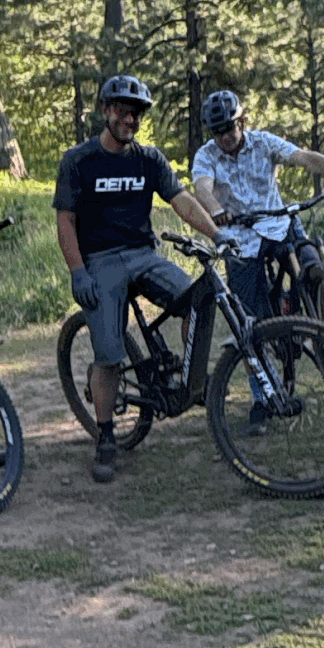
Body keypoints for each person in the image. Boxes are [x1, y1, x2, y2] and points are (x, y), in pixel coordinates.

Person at [53, 74, 223, 482]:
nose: (130, 120)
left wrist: (218, 235)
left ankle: (191, 382)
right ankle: (107, 437)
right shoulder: (79, 160)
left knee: (199, 299)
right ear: (106, 111)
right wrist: (78, 271)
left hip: (143, 255)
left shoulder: (149, 159)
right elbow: (65, 221)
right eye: (123, 111)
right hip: (100, 262)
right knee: (110, 353)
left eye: (137, 114)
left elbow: (181, 200)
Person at [189, 90, 324, 330]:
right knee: (252, 317)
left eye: (229, 128)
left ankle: (322, 333)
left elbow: (303, 157)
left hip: (279, 223)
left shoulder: (263, 142)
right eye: (217, 131)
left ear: (241, 122)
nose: (224, 136)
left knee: (312, 265)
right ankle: (268, 349)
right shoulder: (206, 155)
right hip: (241, 238)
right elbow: (202, 188)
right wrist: (215, 209)